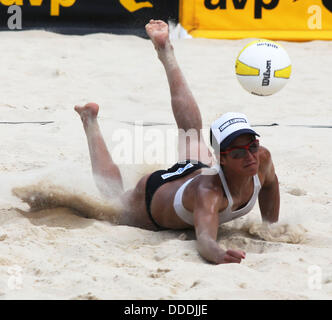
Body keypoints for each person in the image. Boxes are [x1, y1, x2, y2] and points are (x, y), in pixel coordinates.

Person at [74, 19, 280, 265]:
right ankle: (90, 121)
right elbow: (204, 240)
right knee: (112, 201)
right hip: (153, 195)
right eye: (238, 152)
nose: (250, 156)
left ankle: (165, 51)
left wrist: (271, 227)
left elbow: (270, 185)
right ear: (222, 158)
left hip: (196, 169)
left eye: (253, 147)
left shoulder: (262, 159)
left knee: (191, 132)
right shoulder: (209, 193)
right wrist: (218, 254)